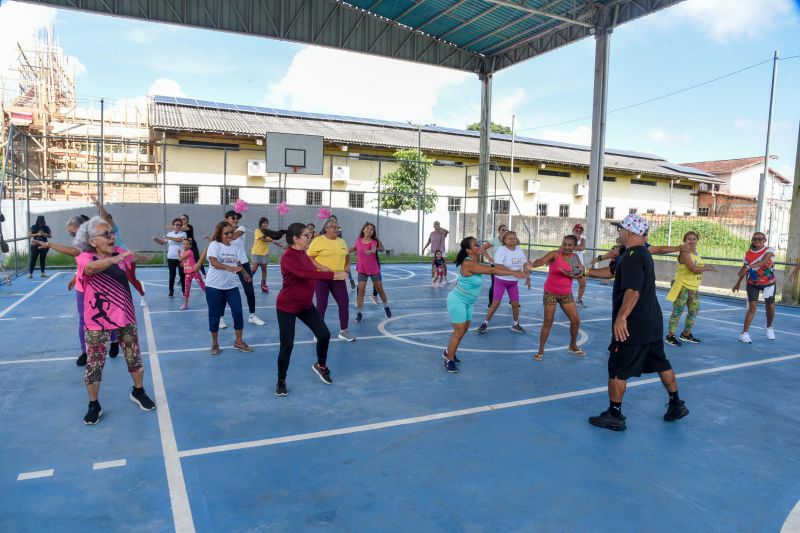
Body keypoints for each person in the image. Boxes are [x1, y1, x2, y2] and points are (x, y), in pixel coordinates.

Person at [588, 214, 688, 431]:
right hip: (651, 322)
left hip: (632, 325)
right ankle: (676, 404)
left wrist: (622, 318)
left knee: (617, 368)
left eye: (621, 229)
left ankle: (615, 415)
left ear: (630, 232)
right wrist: (585, 272)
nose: (619, 232)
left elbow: (632, 292)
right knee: (661, 362)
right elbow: (613, 272)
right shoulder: (637, 254)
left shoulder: (632, 256)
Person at [73, 216, 156, 425]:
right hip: (97, 321)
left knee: (133, 356)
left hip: (125, 316)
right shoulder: (85, 257)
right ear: (92, 241)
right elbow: (91, 269)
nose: (111, 237)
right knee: (94, 364)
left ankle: (138, 391)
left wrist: (148, 256)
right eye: (106, 234)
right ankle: (94, 404)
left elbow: (136, 258)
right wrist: (114, 259)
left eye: (112, 233)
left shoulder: (120, 254)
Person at [34, 215, 132, 366]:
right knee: (83, 320)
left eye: (74, 232)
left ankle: (113, 341)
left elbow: (75, 253)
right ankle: (85, 352)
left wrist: (50, 245)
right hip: (82, 286)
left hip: (100, 284)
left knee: (108, 314)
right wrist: (75, 276)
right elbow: (81, 263)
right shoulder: (84, 242)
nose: (73, 236)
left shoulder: (94, 241)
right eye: (71, 234)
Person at [275, 223, 348, 396]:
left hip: (305, 305)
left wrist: (323, 267)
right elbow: (305, 274)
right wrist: (332, 275)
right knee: (287, 345)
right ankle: (281, 381)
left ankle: (320, 365)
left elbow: (311, 266)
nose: (310, 237)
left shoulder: (303, 254)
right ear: (296, 239)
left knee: (324, 334)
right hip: (287, 306)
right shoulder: (288, 257)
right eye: (307, 235)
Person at [444, 236, 525, 373]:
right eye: (476, 245)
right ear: (469, 250)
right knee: (458, 332)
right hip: (457, 301)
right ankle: (449, 360)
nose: (479, 246)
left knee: (463, 330)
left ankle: (448, 351)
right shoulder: (468, 263)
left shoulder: (475, 262)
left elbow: (494, 267)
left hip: (468, 303)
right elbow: (491, 270)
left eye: (479, 243)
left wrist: (515, 268)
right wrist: (512, 272)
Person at [526, 235, 584, 360]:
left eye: (570, 245)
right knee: (548, 321)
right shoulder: (555, 254)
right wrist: (532, 265)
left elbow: (579, 274)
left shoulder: (575, 258)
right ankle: (540, 350)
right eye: (565, 244)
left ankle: (573, 345)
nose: (567, 247)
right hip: (550, 292)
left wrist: (569, 274)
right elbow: (541, 261)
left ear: (574, 247)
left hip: (566, 294)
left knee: (576, 320)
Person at [204, 221, 253, 355]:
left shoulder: (234, 247)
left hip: (231, 286)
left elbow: (237, 262)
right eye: (227, 233)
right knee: (214, 315)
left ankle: (238, 341)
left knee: (238, 312)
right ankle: (214, 342)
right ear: (220, 234)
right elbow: (213, 261)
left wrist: (244, 273)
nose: (230, 235)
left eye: (231, 232)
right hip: (214, 286)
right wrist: (229, 268)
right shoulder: (214, 245)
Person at [91, 195, 148, 306]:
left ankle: (142, 295)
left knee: (131, 280)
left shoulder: (114, 229)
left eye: (104, 219)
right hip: (112, 259)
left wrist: (98, 204)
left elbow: (106, 216)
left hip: (125, 257)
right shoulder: (100, 234)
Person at [665, 231, 716, 346]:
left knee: (694, 311)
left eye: (694, 239)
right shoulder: (684, 253)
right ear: (684, 241)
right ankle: (670, 336)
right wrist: (708, 268)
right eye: (689, 239)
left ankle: (686, 334)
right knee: (677, 311)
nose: (692, 241)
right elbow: (693, 268)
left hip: (693, 287)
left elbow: (696, 267)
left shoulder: (696, 253)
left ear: (697, 241)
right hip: (682, 286)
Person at [307, 219, 355, 341]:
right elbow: (309, 258)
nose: (335, 229)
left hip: (338, 277)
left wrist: (348, 265)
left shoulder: (342, 241)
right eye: (332, 227)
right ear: (326, 228)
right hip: (322, 277)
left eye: (337, 227)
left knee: (344, 303)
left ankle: (344, 331)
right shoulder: (318, 241)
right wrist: (321, 267)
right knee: (322, 304)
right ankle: (318, 332)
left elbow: (347, 255)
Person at [475, 231, 529, 334]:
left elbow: (525, 263)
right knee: (496, 303)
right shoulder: (502, 250)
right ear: (504, 240)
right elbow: (497, 265)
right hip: (501, 280)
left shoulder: (519, 250)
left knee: (515, 304)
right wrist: (513, 272)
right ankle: (485, 323)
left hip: (513, 282)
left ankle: (516, 324)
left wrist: (527, 275)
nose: (513, 240)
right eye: (510, 238)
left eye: (514, 238)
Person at [733, 231, 777, 343]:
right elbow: (743, 270)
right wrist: (738, 283)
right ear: (752, 240)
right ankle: (744, 334)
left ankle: (769, 326)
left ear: (764, 240)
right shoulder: (748, 253)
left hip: (769, 284)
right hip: (752, 284)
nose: (757, 241)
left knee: (770, 307)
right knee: (752, 307)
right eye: (754, 239)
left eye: (760, 239)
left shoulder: (769, 250)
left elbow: (764, 262)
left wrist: (748, 266)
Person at [225, 210, 265, 325]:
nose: (236, 220)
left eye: (237, 218)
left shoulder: (241, 228)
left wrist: (224, 232)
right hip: (228, 264)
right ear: (227, 219)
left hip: (243, 263)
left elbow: (232, 237)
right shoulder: (223, 230)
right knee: (223, 290)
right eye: (233, 218)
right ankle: (221, 317)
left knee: (250, 291)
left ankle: (252, 316)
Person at [350, 222, 391, 323]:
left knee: (379, 289)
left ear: (373, 233)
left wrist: (373, 251)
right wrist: (343, 251)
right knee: (361, 291)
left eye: (371, 229)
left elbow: (374, 248)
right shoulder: (358, 241)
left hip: (373, 269)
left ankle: (386, 307)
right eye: (367, 228)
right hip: (362, 269)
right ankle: (359, 313)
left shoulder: (374, 242)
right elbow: (353, 249)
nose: (369, 230)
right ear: (363, 230)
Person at [153, 218, 187, 298]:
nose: (178, 226)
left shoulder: (183, 234)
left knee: (182, 275)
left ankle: (184, 291)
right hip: (171, 257)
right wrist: (156, 239)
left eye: (180, 225)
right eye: (177, 224)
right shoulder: (169, 233)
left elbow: (179, 240)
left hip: (181, 257)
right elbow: (162, 242)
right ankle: (171, 291)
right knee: (172, 275)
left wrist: (169, 238)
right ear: (173, 226)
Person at [252, 217, 286, 293]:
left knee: (264, 269)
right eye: (264, 223)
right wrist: (271, 240)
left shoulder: (268, 233)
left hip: (264, 253)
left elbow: (273, 240)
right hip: (256, 252)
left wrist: (280, 245)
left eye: (266, 223)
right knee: (254, 268)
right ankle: (248, 280)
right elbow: (263, 239)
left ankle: (263, 284)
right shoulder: (257, 230)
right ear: (260, 224)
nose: (265, 224)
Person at [481, 224, 508, 308]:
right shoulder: (494, 241)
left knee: (511, 283)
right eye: (503, 230)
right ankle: (490, 304)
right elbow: (483, 248)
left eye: (506, 230)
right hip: (495, 266)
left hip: (507, 266)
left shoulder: (509, 240)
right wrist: (489, 258)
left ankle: (513, 301)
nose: (505, 231)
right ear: (499, 231)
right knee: (494, 284)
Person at [328, 214, 356, 290]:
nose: (332, 221)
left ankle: (351, 280)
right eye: (331, 219)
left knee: (345, 264)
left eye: (334, 219)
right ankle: (330, 281)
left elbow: (337, 235)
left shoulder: (339, 228)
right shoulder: (326, 227)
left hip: (339, 247)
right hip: (330, 248)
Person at [179, 238, 206, 310]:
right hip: (187, 273)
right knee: (186, 289)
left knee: (203, 286)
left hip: (194, 272)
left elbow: (180, 259)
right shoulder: (183, 253)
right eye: (184, 243)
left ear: (190, 246)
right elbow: (182, 264)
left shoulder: (189, 252)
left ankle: (212, 299)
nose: (185, 245)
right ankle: (185, 304)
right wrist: (182, 263)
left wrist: (178, 254)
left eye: (187, 244)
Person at [572, 224, 587, 308]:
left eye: (580, 231)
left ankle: (579, 300)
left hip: (579, 264)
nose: (578, 232)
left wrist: (571, 246)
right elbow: (564, 247)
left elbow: (582, 247)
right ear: (573, 230)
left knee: (583, 283)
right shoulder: (568, 238)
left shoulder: (582, 239)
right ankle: (562, 299)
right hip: (570, 262)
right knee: (566, 282)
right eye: (576, 230)